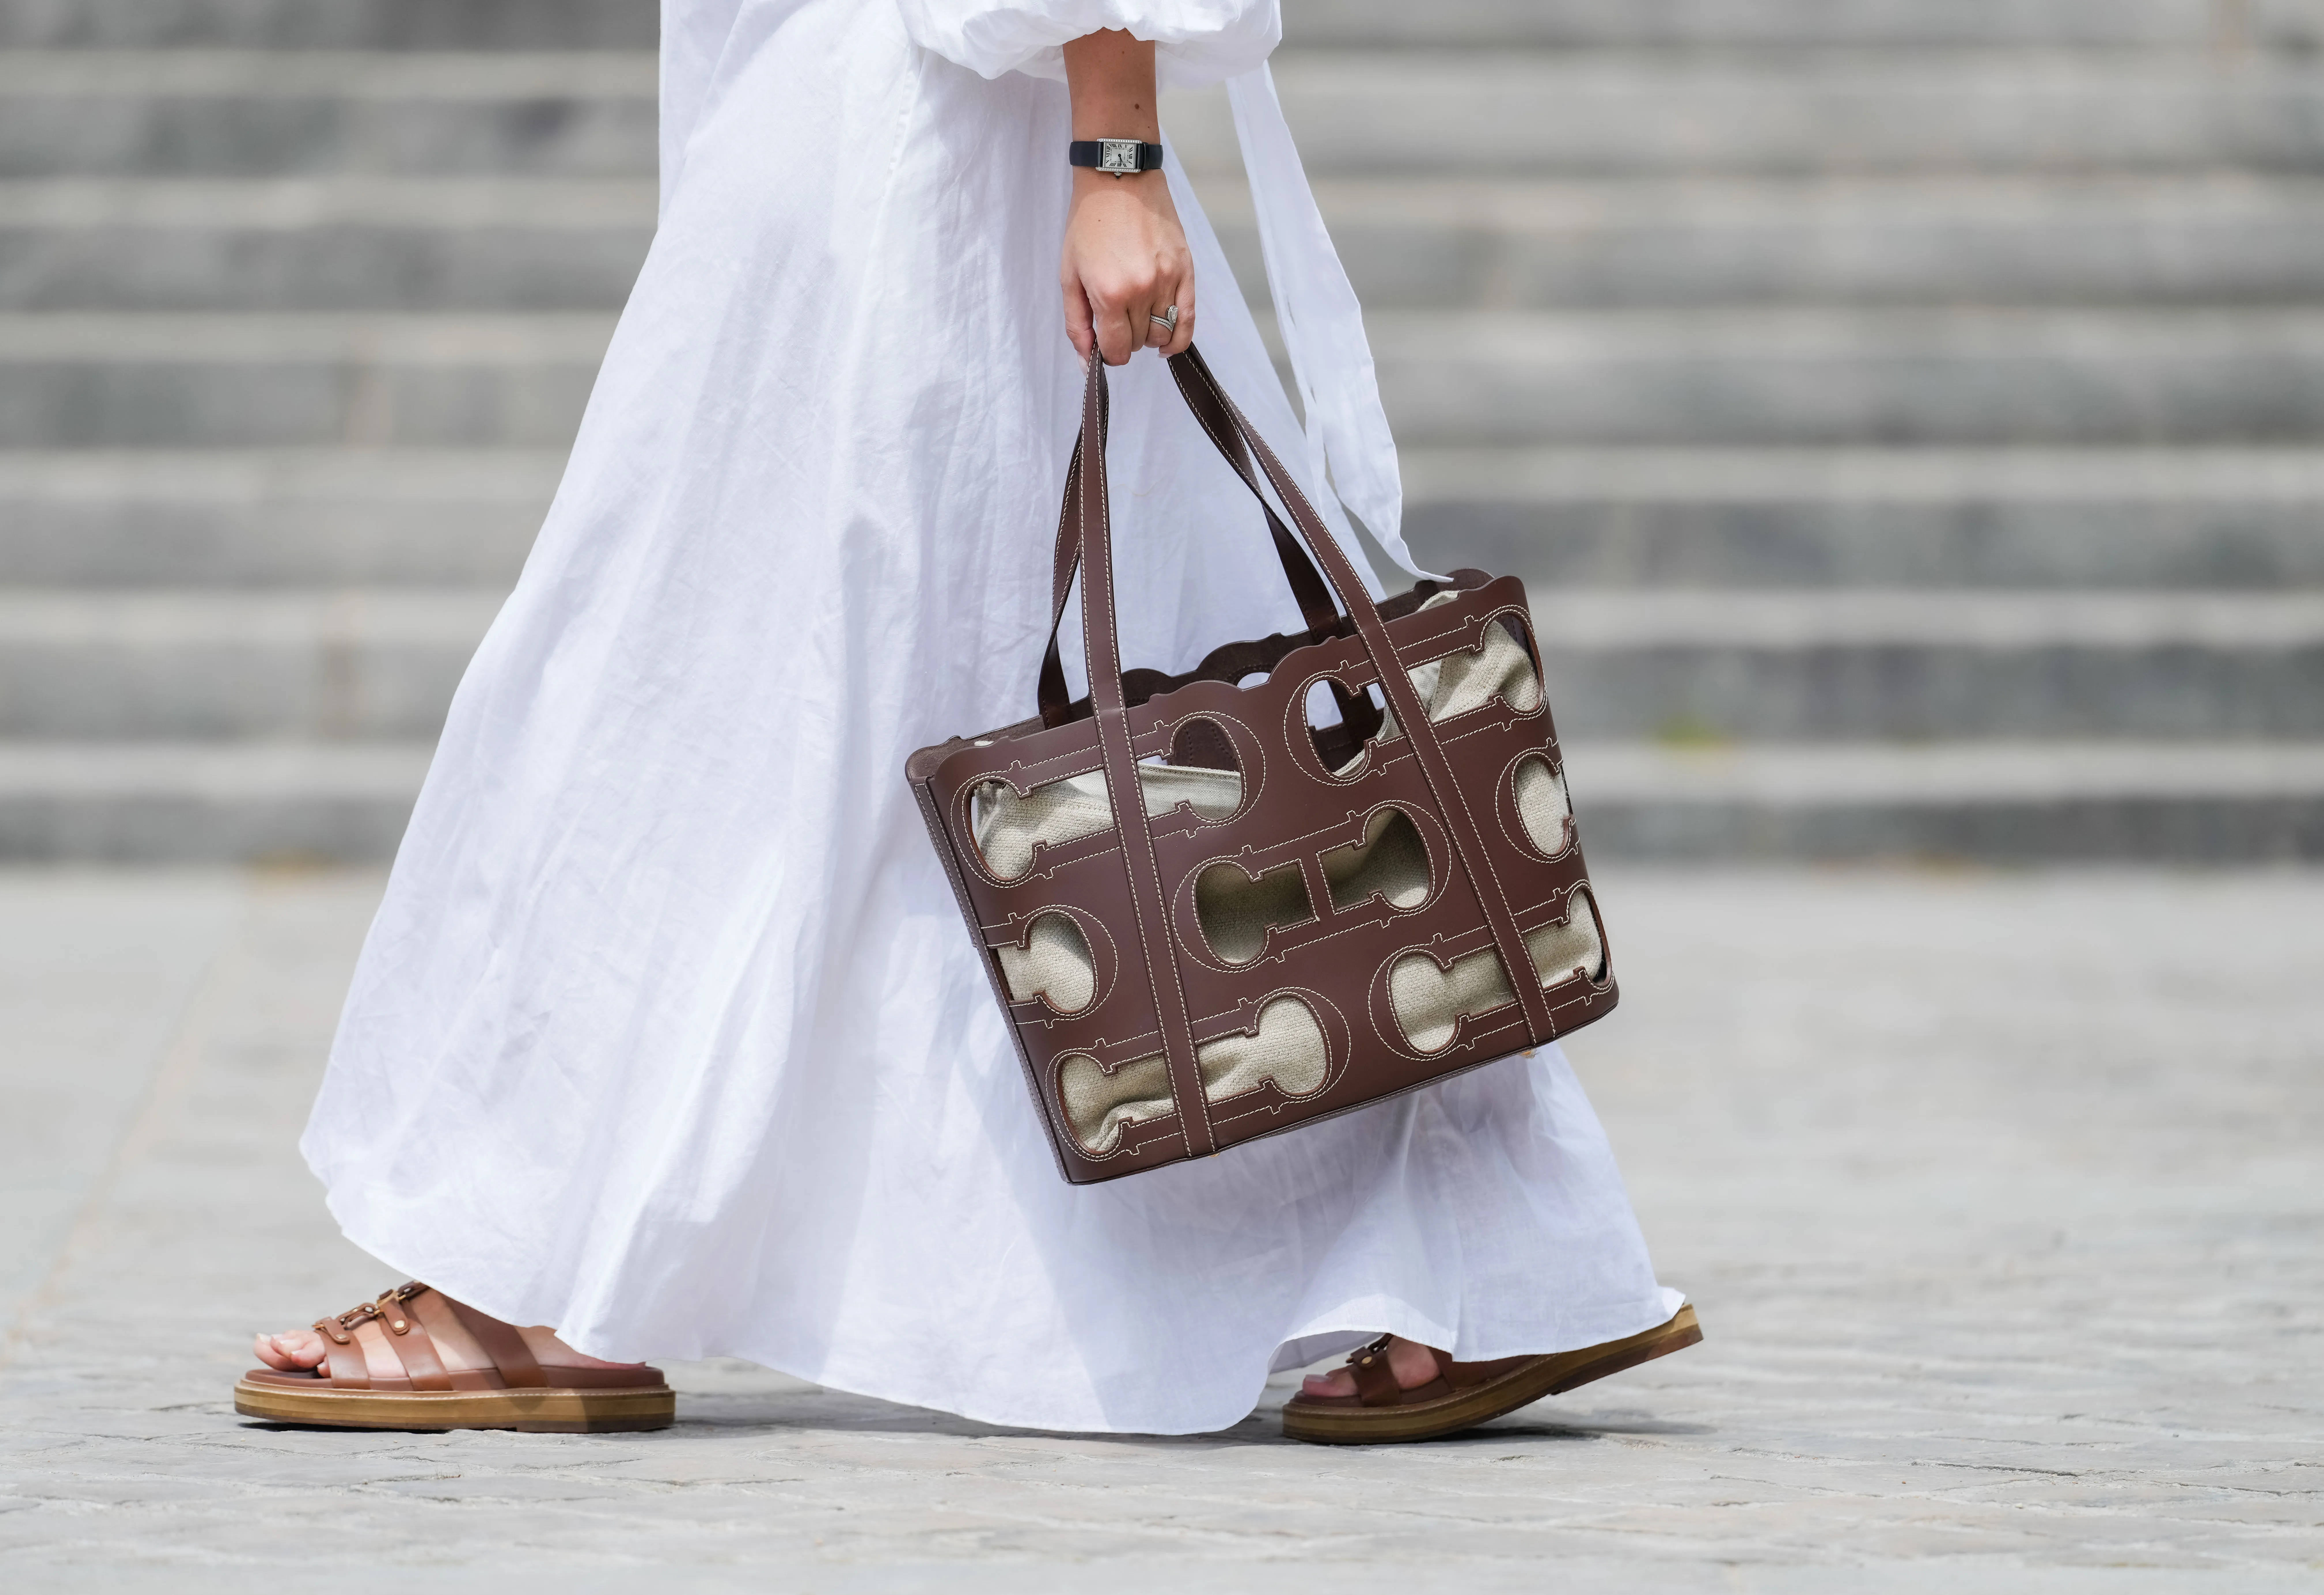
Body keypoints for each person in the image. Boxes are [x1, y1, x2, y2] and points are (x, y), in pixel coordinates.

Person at [236, 0, 1695, 1444]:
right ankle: (1483, 1258)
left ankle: (545, 1272)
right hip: (879, 140)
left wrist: (1114, 150)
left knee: (741, 687)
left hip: (945, 140)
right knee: (803, 699)